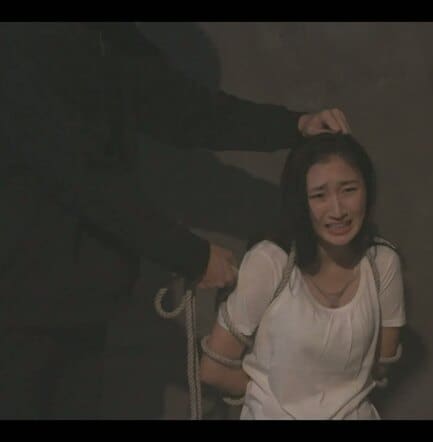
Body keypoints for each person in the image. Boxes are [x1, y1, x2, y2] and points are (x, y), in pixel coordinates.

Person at [0, 22, 350, 419]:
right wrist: (190, 255)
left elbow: (188, 111)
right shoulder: (17, 44)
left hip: (80, 303)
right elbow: (82, 176)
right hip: (16, 303)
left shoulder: (109, 38)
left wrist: (294, 126)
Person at [199, 133, 406, 419]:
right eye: (319, 195)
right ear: (300, 201)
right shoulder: (270, 262)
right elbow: (214, 370)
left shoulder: (383, 263)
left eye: (349, 190)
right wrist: (273, 400)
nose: (337, 210)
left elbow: (381, 364)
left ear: (367, 191)